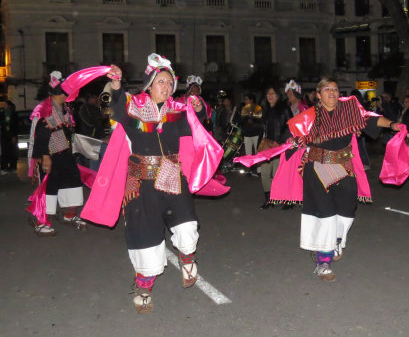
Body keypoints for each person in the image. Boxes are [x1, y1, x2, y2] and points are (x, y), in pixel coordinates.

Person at [82, 54, 227, 313]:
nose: (166, 86)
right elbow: (115, 106)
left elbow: (201, 116)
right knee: (145, 237)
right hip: (140, 183)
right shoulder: (133, 107)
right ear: (149, 84)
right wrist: (116, 84)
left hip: (173, 175)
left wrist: (197, 104)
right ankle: (144, 287)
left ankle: (187, 258)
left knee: (186, 226)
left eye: (170, 83)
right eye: (161, 81)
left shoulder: (178, 111)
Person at [280, 77, 399, 281]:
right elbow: (289, 133)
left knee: (346, 211)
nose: (332, 92)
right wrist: (278, 143)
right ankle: (323, 261)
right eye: (327, 89)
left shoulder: (349, 109)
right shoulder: (309, 116)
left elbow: (370, 118)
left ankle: (333, 241)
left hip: (343, 166)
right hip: (317, 167)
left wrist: (393, 124)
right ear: (318, 95)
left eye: (335, 89)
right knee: (325, 214)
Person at [28, 71, 86, 236]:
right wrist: (45, 156)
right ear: (60, 92)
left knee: (73, 181)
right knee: (48, 188)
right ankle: (40, 220)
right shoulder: (45, 108)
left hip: (64, 153)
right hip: (50, 155)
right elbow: (41, 134)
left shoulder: (65, 107)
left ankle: (69, 214)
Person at [258, 86, 292, 209]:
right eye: (268, 94)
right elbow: (263, 129)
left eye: (273, 93)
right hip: (267, 145)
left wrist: (280, 141)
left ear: (278, 95)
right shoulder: (265, 109)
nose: (270, 96)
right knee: (265, 173)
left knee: (279, 174)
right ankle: (269, 198)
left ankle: (287, 200)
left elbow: (290, 126)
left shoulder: (284, 109)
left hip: (280, 146)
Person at [240, 93, 263, 162]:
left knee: (258, 152)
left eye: (246, 99)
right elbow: (241, 121)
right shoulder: (244, 109)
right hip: (247, 134)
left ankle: (259, 171)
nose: (245, 101)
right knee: (248, 154)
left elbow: (260, 120)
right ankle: (249, 168)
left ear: (251, 100)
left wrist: (252, 117)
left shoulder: (258, 108)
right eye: (245, 99)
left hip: (256, 133)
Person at [0, 99, 19, 172]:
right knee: (4, 151)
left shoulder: (14, 114)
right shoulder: (2, 113)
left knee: (13, 151)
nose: (3, 106)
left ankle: (13, 167)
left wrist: (14, 135)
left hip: (12, 135)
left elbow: (16, 126)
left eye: (5, 104)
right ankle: (4, 167)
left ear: (9, 106)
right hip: (4, 135)